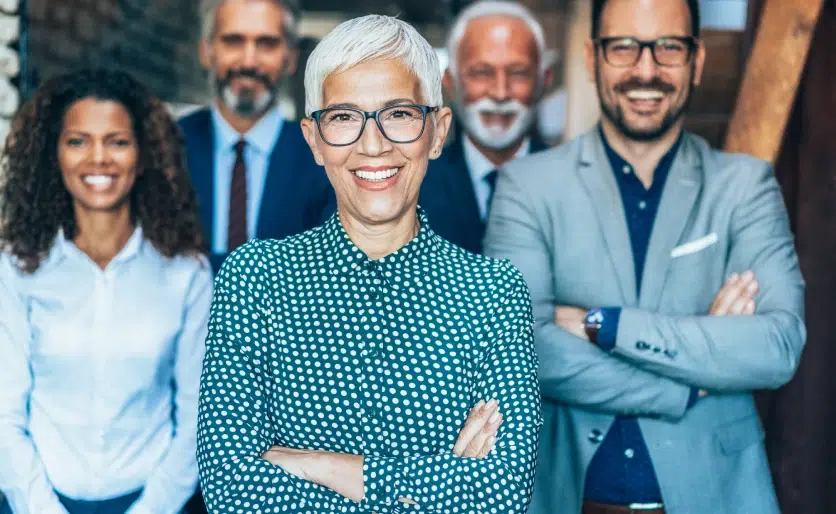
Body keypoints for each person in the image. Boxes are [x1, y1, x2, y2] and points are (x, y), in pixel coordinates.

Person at [197, 15, 542, 514]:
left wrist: (317, 465)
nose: (373, 144)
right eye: (343, 117)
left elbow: (499, 493)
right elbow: (232, 491)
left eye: (399, 113)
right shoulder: (256, 279)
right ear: (314, 140)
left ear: (437, 132)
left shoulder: (494, 292)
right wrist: (440, 481)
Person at [484, 0, 806, 513]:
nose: (646, 69)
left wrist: (605, 325)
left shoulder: (744, 187)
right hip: (567, 497)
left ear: (696, 61)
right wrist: (690, 383)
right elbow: (523, 353)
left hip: (716, 497)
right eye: (624, 46)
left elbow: (776, 345)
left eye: (669, 47)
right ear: (593, 58)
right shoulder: (527, 187)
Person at [0, 69, 212, 514]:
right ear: (53, 154)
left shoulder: (185, 273)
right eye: (78, 141)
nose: (98, 158)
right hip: (36, 501)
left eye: (117, 141)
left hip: (152, 502)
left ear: (143, 154)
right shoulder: (17, 270)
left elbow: (199, 417)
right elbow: (4, 417)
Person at [181, 0, 335, 273]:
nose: (249, 61)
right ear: (206, 52)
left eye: (266, 43)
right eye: (233, 41)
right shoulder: (168, 145)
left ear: (290, 59)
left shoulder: (325, 158)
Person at [419, 0, 552, 254]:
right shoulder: (415, 185)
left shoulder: (573, 186)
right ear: (450, 82)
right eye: (481, 72)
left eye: (518, 73)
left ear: (543, 81)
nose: (500, 93)